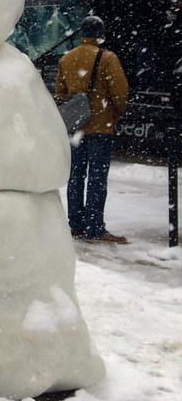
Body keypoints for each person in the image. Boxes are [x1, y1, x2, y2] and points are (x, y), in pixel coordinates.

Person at [55, 15, 130, 243]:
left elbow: (60, 91)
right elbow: (120, 93)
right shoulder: (107, 58)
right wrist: (112, 114)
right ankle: (94, 227)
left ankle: (75, 225)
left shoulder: (67, 58)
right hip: (100, 128)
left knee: (75, 177)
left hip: (76, 129)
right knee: (97, 179)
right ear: (100, 35)